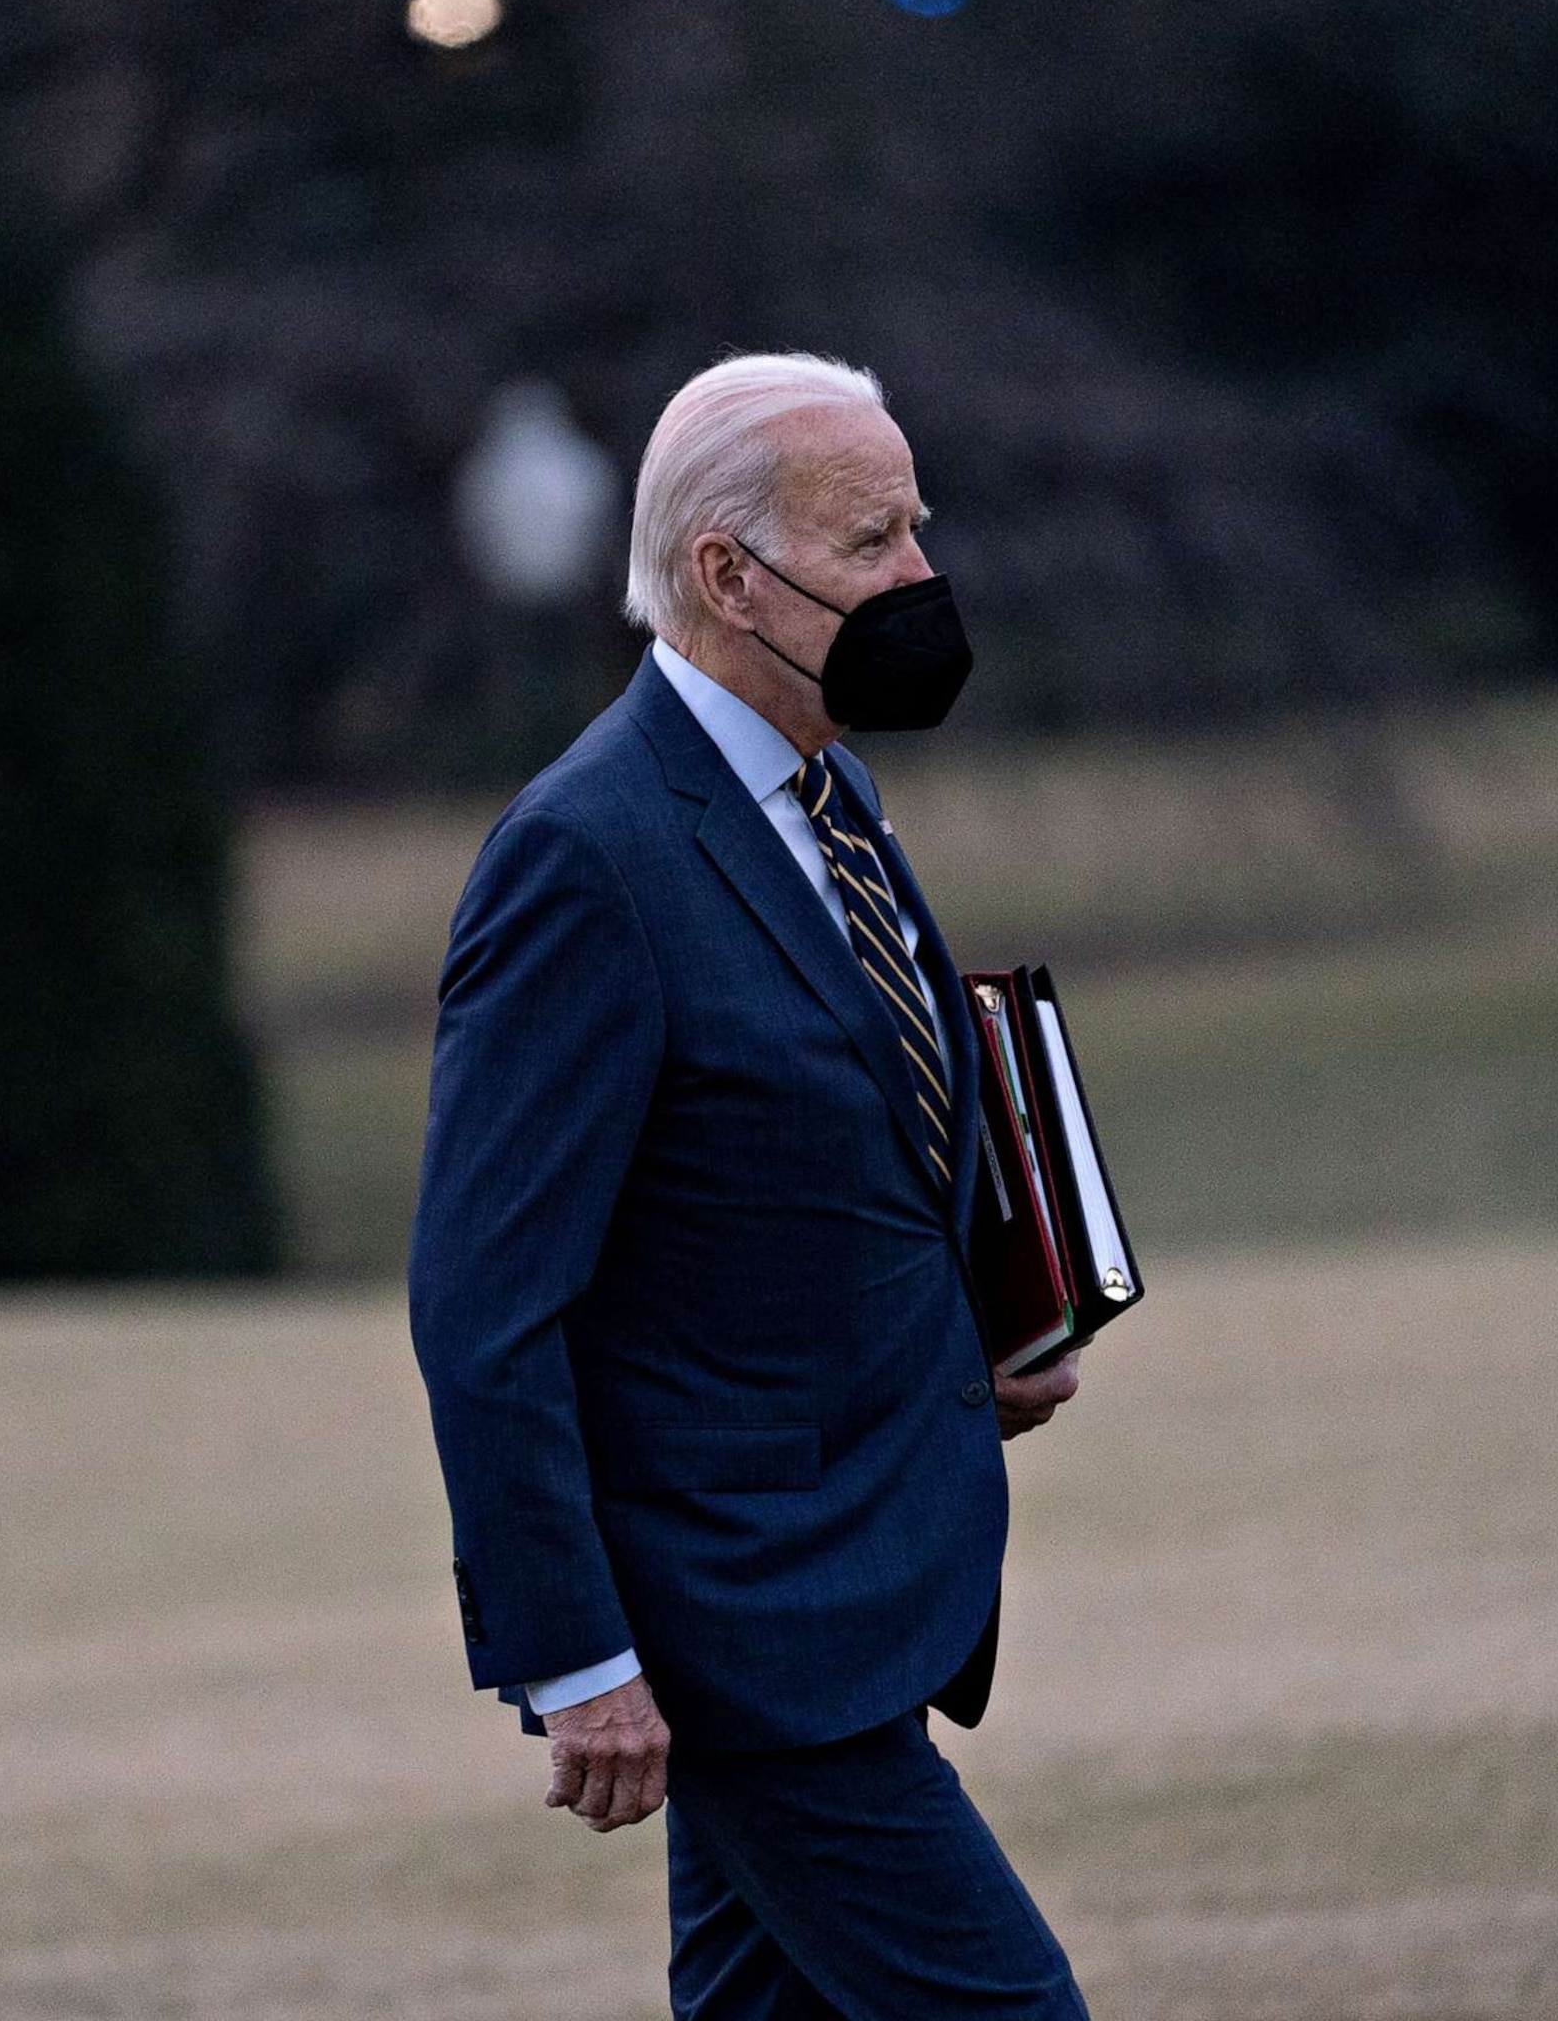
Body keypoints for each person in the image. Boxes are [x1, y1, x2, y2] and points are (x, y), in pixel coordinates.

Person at [408, 352, 1092, 2019]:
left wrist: (986, 1324)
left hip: (869, 1570)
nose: (920, 580)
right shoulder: (587, 855)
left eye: (918, 529)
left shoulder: (830, 793)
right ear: (725, 575)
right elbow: (485, 1304)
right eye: (872, 546)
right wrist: (579, 1659)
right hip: (752, 1626)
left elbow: (829, 1147)